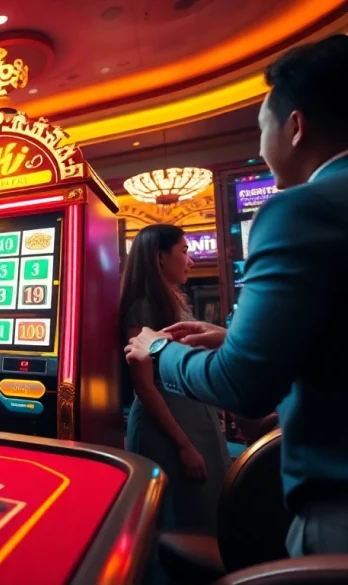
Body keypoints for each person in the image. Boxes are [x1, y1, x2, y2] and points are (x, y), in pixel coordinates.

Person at [125, 35, 348, 557]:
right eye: (180, 250)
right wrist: (233, 337)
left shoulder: (300, 209)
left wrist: (158, 349)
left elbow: (241, 381)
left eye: (261, 126)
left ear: (295, 127)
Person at [121, 224, 229, 535]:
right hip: (167, 425)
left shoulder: (171, 299)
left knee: (206, 510)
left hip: (189, 417)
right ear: (159, 257)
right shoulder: (142, 306)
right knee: (182, 519)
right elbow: (144, 385)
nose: (190, 260)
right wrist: (183, 444)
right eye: (183, 251)